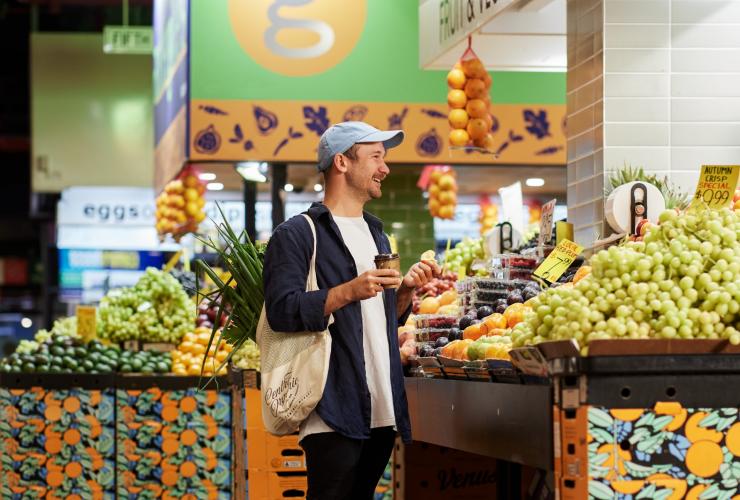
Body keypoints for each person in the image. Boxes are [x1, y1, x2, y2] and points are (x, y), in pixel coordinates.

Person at [263, 121, 441, 500]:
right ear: (342, 162)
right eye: (376, 156)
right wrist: (347, 291)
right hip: (333, 406)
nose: (385, 167)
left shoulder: (376, 233)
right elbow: (281, 310)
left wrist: (406, 292)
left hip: (381, 406)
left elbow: (379, 318)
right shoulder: (297, 233)